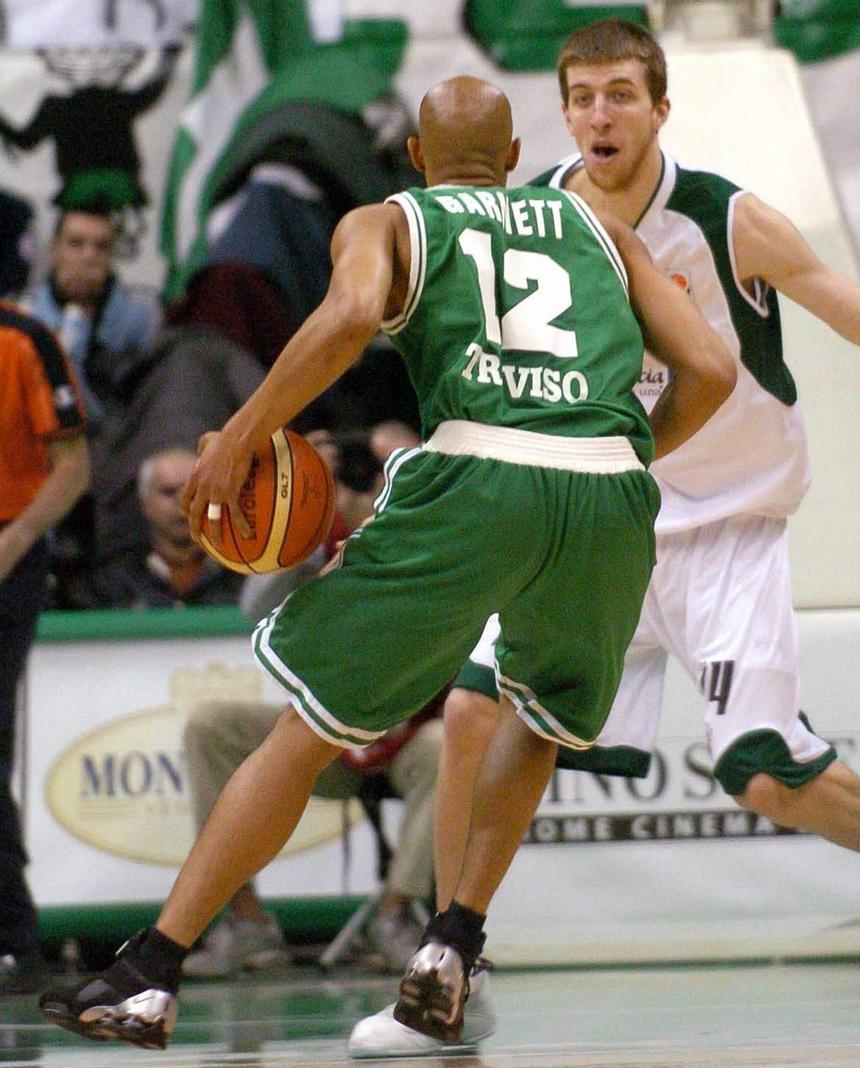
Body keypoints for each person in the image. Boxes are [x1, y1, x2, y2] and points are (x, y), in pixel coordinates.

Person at [346, 18, 860, 1057]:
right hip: (598, 519)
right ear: (561, 111)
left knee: (762, 776)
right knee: (473, 717)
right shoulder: (534, 218)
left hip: (725, 527)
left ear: (659, 107)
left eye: (619, 95)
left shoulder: (727, 221)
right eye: (582, 96)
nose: (599, 114)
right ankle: (453, 965)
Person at [37, 75, 735, 1050]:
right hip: (610, 484)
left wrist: (242, 432)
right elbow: (712, 368)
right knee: (534, 714)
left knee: (306, 730)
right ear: (510, 163)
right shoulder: (601, 230)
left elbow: (350, 317)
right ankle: (453, 941)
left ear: (414, 157)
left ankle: (150, 972)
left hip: (478, 477)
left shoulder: (390, 218)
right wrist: (623, 455)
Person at [183, 432, 443, 977]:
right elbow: (253, 608)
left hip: (408, 739)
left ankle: (395, 915)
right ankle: (247, 921)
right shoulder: (320, 533)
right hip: (327, 732)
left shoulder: (432, 531)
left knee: (447, 746)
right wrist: (304, 534)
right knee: (210, 725)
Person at [0, 301, 89, 995]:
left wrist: (18, 539)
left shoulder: (26, 339)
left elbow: (73, 466)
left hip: (9, 546)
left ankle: (12, 933)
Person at [25, 205, 160, 425]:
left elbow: (148, 403)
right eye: (75, 243)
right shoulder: (26, 315)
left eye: (101, 246)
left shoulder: (141, 316)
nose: (89, 256)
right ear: (54, 249)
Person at [90, 449, 243, 609]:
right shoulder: (113, 579)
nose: (183, 503)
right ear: (145, 503)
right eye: (169, 492)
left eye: (194, 491)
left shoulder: (241, 573)